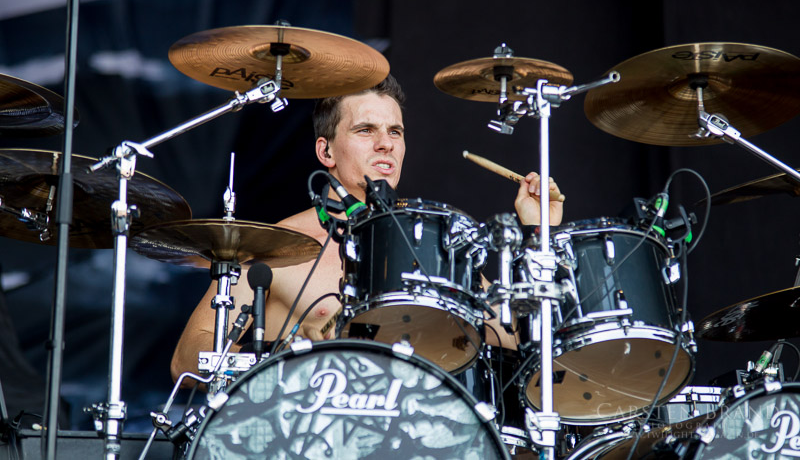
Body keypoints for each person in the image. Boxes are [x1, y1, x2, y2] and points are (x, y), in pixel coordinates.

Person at [170, 74, 564, 381]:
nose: (385, 143)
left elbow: (516, 340)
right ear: (325, 150)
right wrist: (283, 355)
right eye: (365, 130)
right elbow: (186, 359)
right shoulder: (277, 244)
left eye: (395, 132)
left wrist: (537, 234)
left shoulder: (431, 242)